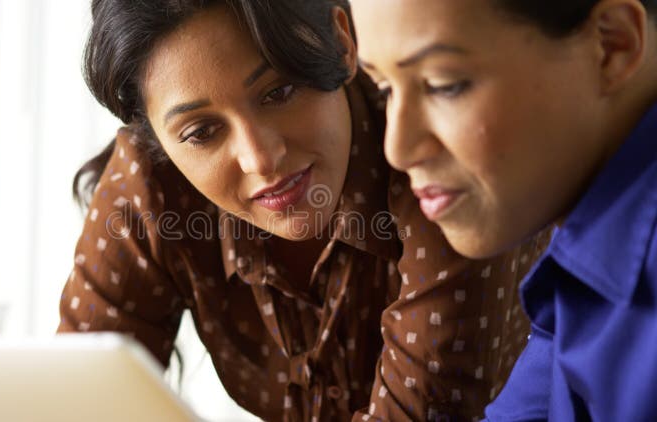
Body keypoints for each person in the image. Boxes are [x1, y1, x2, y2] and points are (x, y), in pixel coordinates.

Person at [58, 1, 549, 420]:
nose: (261, 158)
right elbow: (75, 402)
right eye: (202, 133)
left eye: (278, 92)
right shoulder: (148, 183)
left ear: (340, 41)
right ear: (155, 139)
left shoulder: (432, 160)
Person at [350, 0, 657, 420]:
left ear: (611, 45)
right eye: (384, 89)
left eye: (444, 84)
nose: (397, 149)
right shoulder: (583, 232)